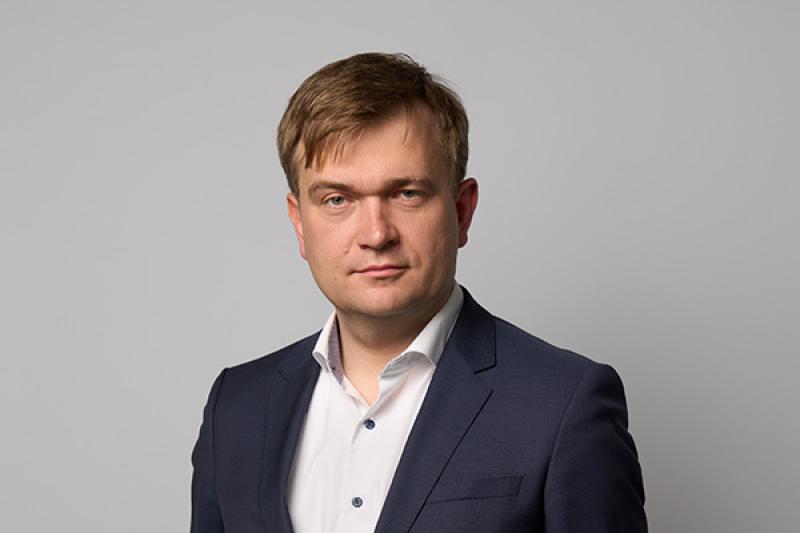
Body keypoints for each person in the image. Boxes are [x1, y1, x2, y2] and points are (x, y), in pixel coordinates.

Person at [190, 52, 647, 533]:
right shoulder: (235, 408)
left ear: (462, 211)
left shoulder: (562, 404)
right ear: (299, 223)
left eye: (406, 194)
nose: (375, 234)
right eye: (337, 199)